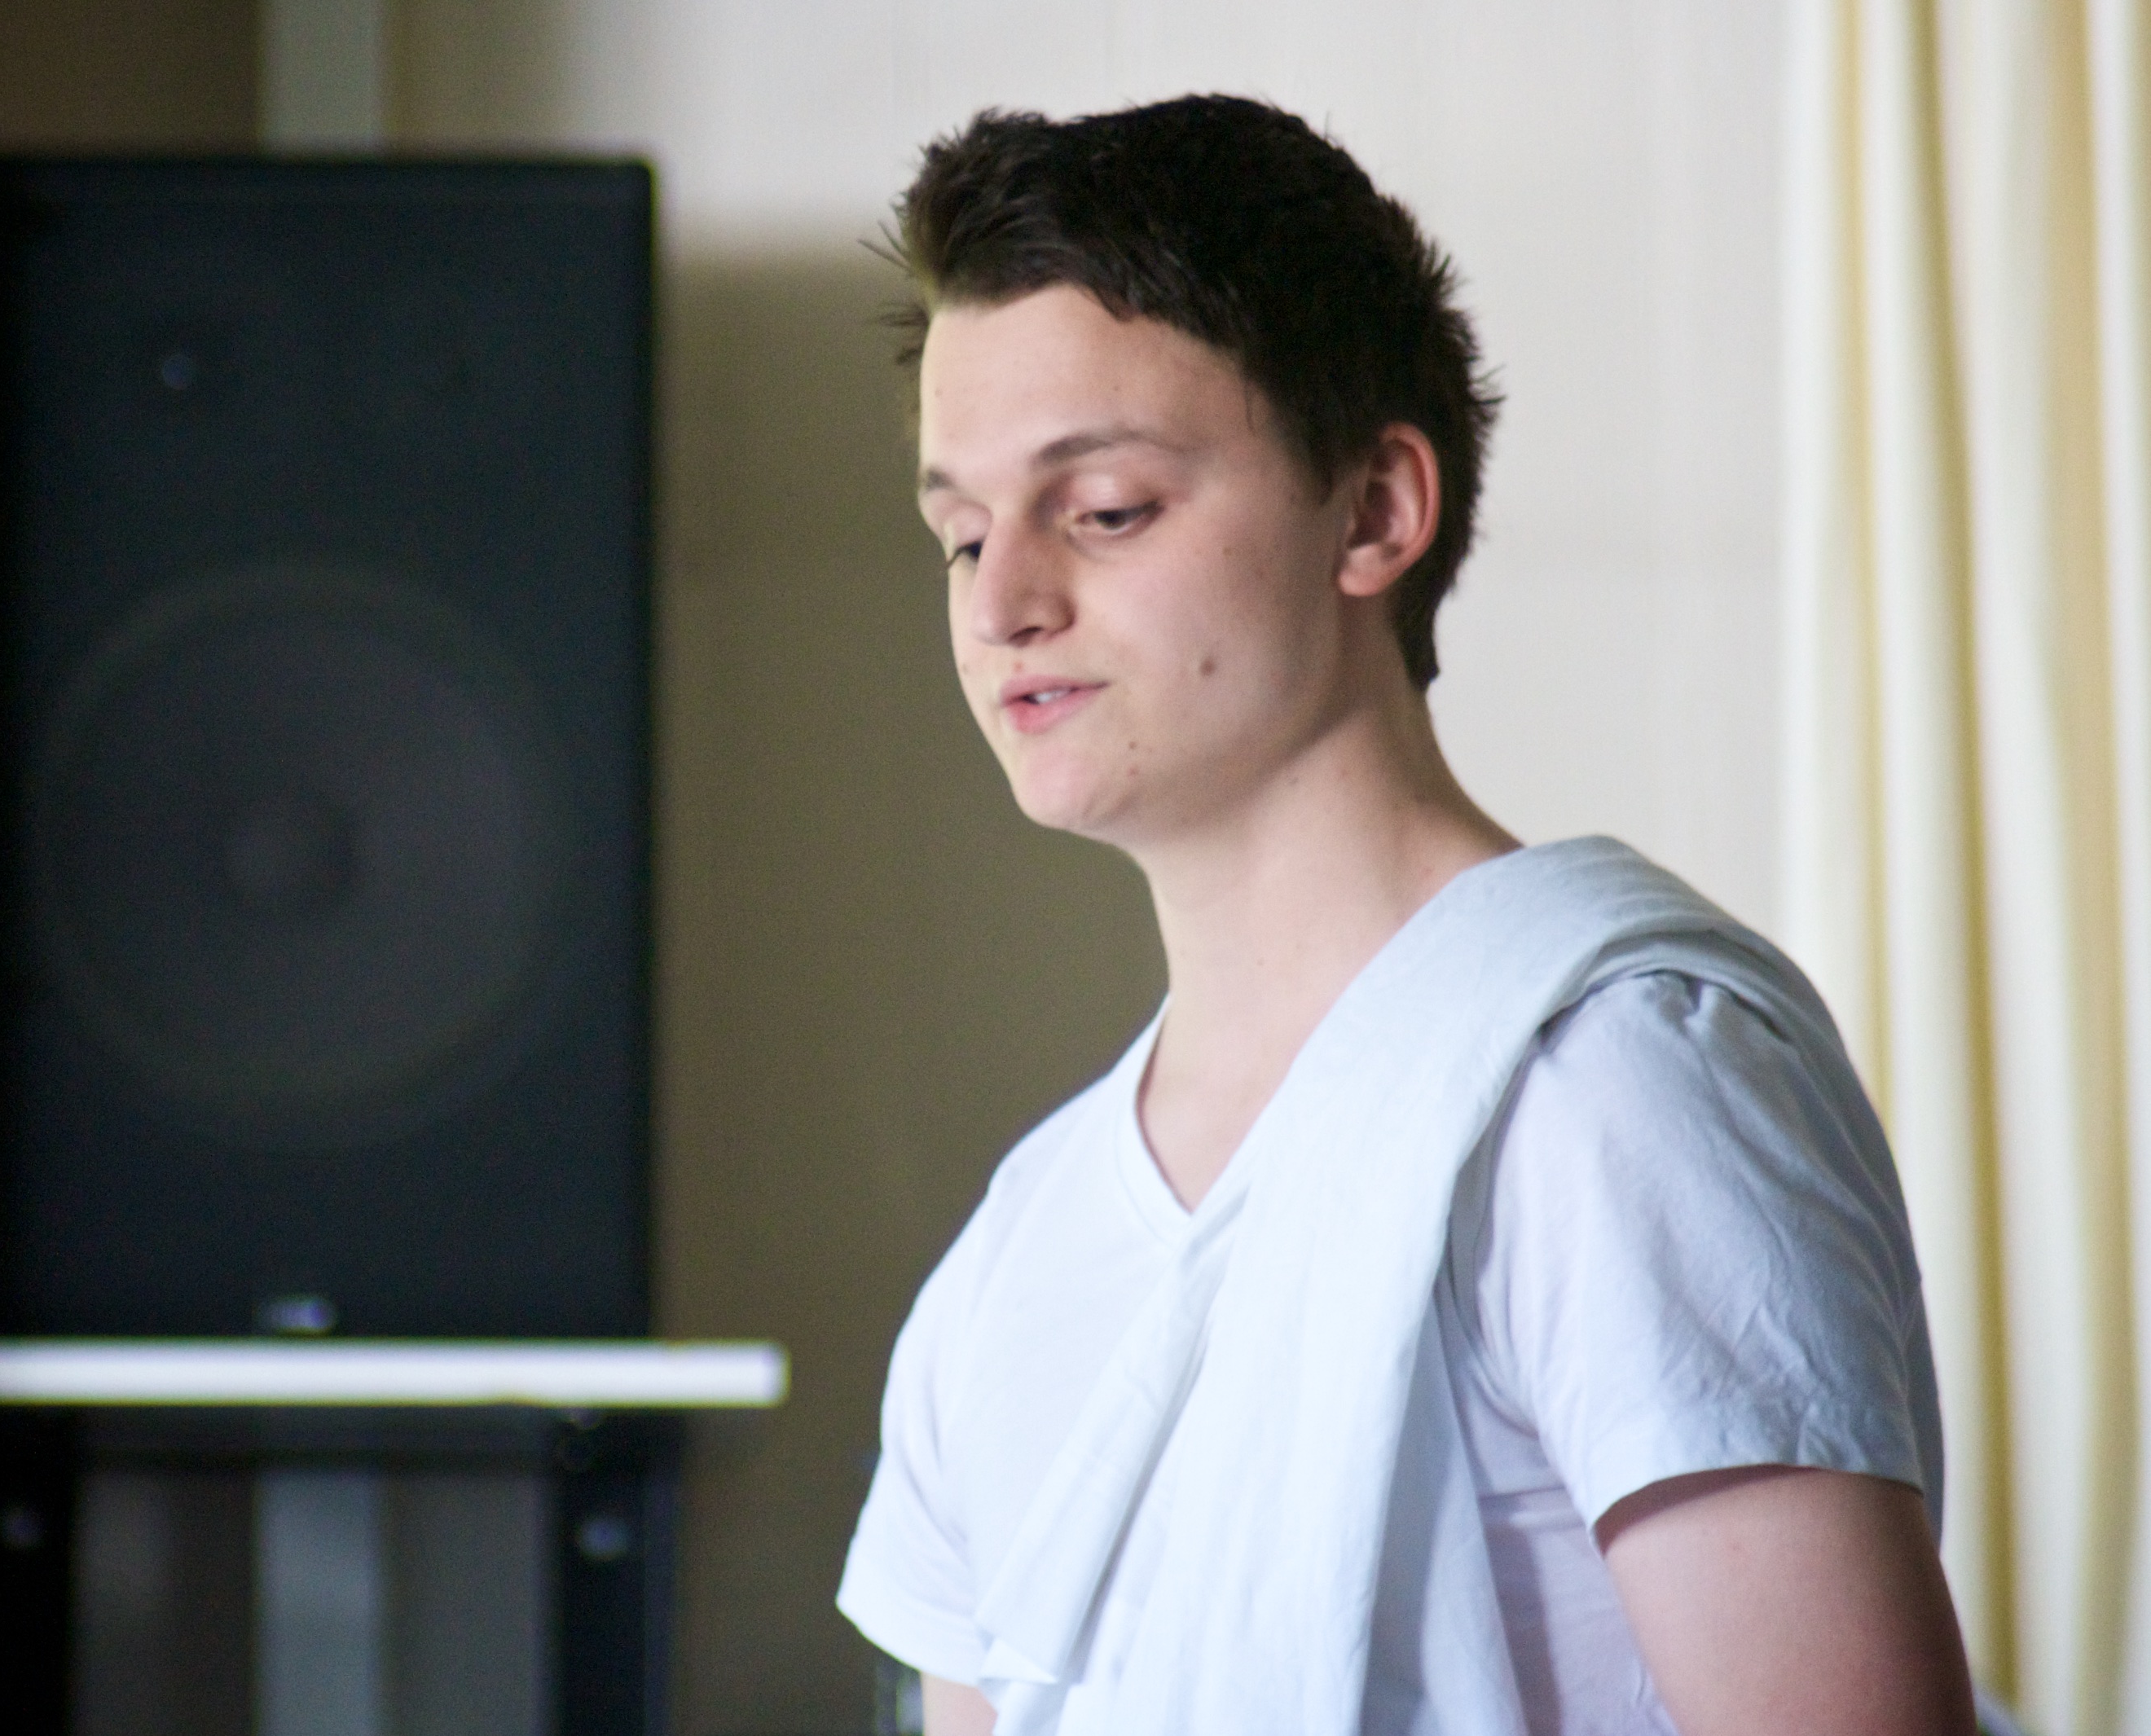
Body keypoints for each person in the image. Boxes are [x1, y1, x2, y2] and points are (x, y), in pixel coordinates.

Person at [835, 95, 1976, 1736]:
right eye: (958, 534)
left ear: (1375, 509)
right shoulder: (1015, 1254)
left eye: (1106, 510)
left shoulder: (1610, 1090)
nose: (1003, 602)